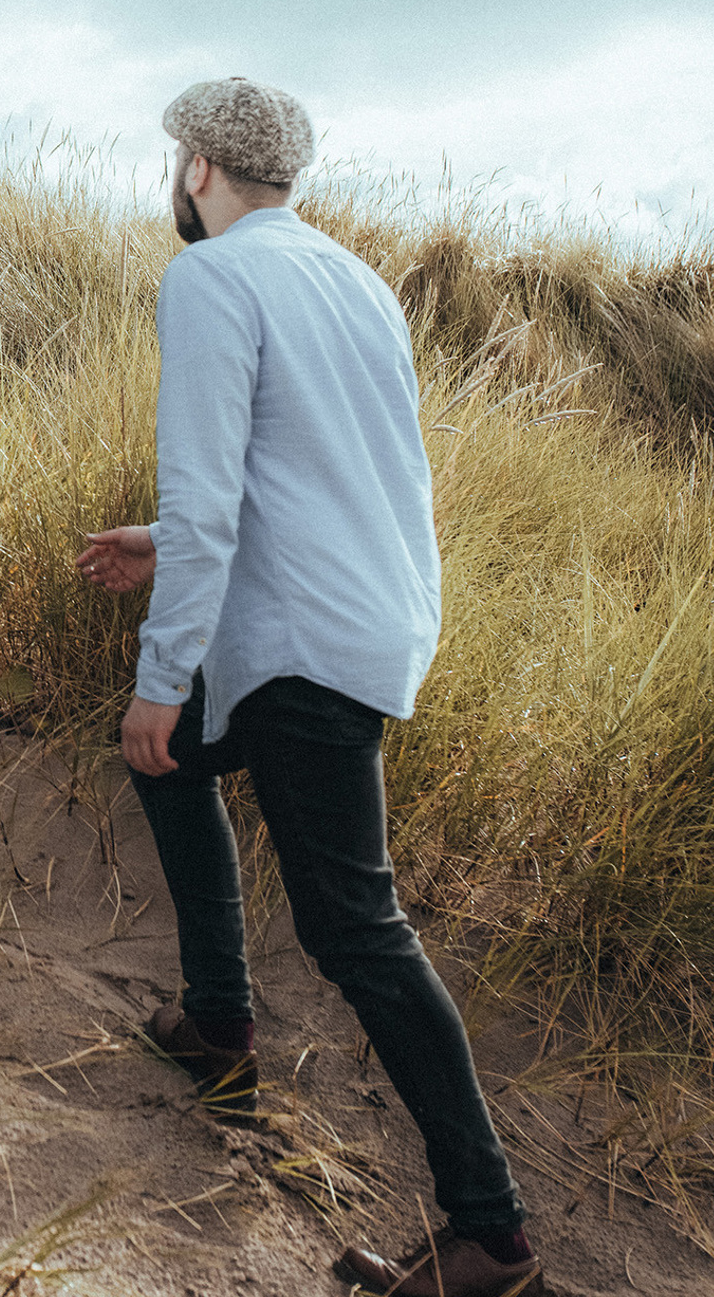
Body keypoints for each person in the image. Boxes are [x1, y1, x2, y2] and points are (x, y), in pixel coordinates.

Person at [77, 78, 543, 1297]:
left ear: (196, 169)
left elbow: (211, 493)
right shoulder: (356, 279)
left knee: (356, 930)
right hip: (363, 617)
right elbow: (324, 472)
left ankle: (491, 1236)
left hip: (298, 643)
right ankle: (218, 1022)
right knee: (171, 763)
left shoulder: (210, 277)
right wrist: (162, 546)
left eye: (179, 162)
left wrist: (159, 675)